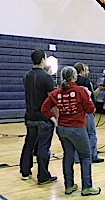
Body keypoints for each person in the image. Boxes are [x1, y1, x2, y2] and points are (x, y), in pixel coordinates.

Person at [41, 66, 101, 196]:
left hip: (62, 129)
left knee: (68, 156)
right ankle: (87, 187)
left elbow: (44, 108)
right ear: (74, 77)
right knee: (85, 156)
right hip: (77, 128)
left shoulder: (57, 92)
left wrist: (54, 120)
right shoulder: (80, 91)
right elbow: (91, 109)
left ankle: (69, 186)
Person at [19, 49, 57, 184]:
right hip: (43, 118)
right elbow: (51, 101)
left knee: (29, 144)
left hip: (30, 116)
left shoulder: (27, 76)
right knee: (43, 147)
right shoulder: (46, 78)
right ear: (42, 60)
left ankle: (25, 171)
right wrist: (56, 118)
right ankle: (43, 176)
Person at [73, 62, 104, 163]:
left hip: (76, 112)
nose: (88, 72)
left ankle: (77, 157)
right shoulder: (85, 81)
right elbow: (89, 96)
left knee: (79, 135)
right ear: (81, 71)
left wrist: (99, 88)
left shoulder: (72, 81)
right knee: (91, 133)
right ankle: (92, 155)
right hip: (86, 111)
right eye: (86, 70)